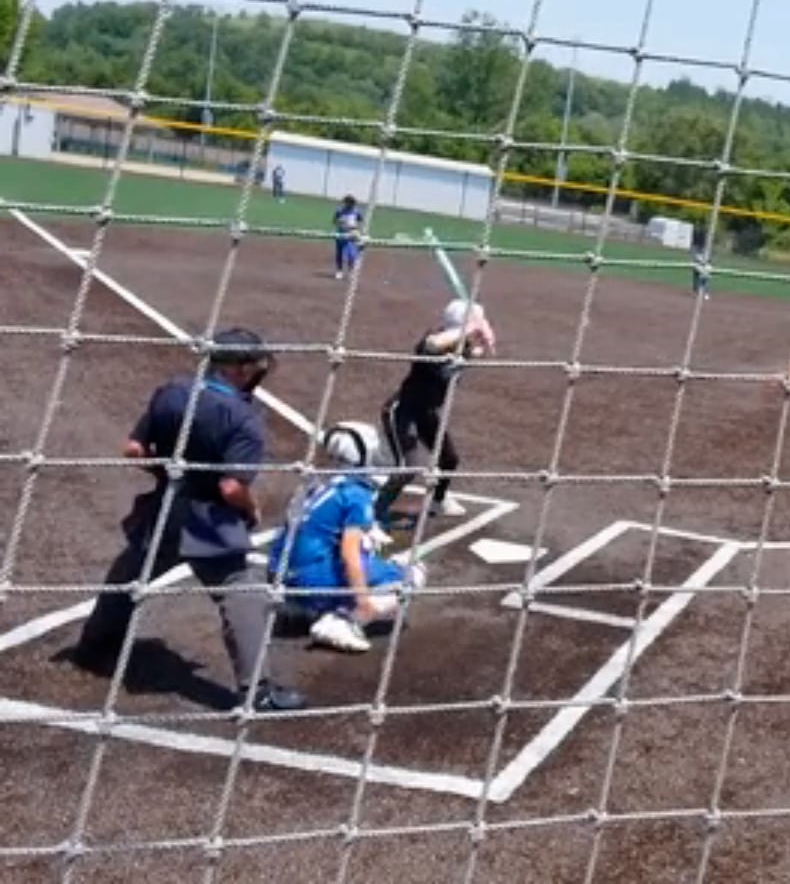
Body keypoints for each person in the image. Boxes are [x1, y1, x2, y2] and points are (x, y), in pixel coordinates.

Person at [72, 328, 306, 712]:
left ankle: (93, 645)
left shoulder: (173, 392)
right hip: (209, 522)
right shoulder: (244, 418)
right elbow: (231, 487)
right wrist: (250, 507)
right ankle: (257, 692)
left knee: (131, 570)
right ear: (239, 370)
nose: (260, 369)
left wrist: (170, 477)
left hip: (165, 508)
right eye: (255, 363)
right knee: (239, 591)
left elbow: (134, 449)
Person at [270, 421, 425, 654]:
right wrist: (364, 603)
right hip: (310, 583)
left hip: (279, 579)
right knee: (412, 574)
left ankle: (306, 609)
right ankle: (343, 621)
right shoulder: (356, 493)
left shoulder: (316, 481)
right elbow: (349, 553)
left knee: (368, 549)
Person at [374, 299, 495, 526]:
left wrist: (479, 344)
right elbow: (431, 348)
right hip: (402, 410)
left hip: (425, 411)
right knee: (408, 468)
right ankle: (374, 513)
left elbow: (467, 354)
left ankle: (438, 500)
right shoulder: (432, 341)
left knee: (449, 458)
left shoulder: (463, 345)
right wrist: (471, 335)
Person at [332, 194, 365, 280]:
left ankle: (350, 272)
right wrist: (339, 221)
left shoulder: (356, 212)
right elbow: (334, 221)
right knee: (339, 253)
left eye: (352, 203)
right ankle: (339, 271)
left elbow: (361, 222)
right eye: (348, 203)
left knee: (351, 255)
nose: (350, 205)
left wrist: (357, 230)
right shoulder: (340, 211)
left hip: (351, 235)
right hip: (341, 234)